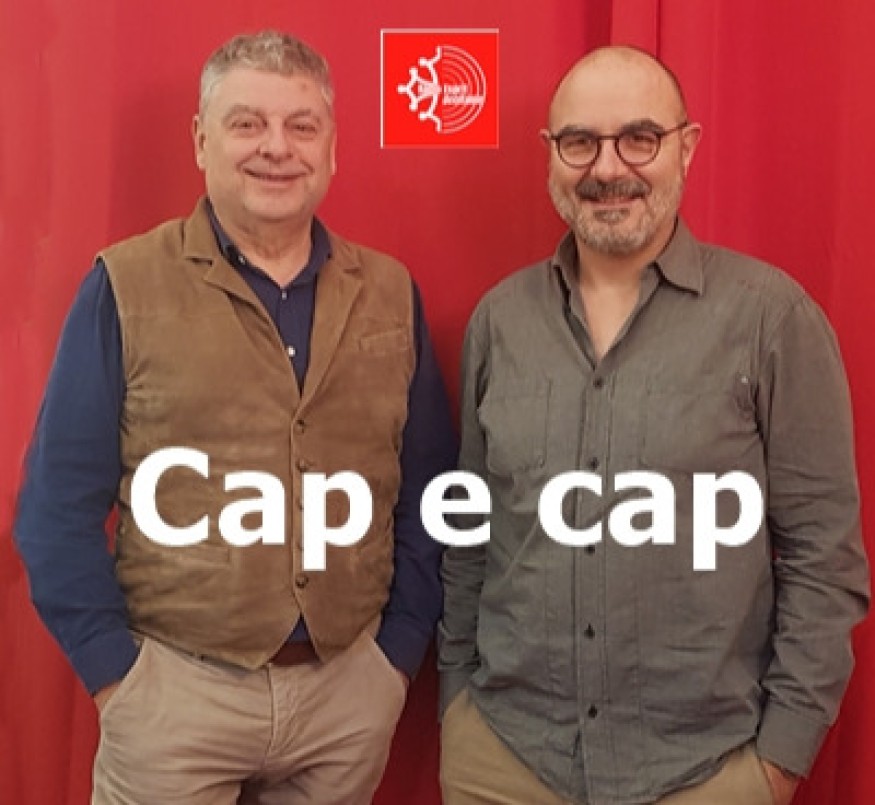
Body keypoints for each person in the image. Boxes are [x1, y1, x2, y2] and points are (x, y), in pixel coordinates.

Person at [14, 30, 456, 804]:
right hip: (174, 697)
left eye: (301, 125)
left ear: (331, 147)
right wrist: (120, 679)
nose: (276, 147)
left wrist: (394, 656)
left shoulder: (390, 290)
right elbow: (55, 507)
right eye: (247, 123)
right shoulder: (125, 284)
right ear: (200, 140)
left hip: (345, 697)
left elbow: (429, 488)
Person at [438, 45, 869, 805]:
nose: (608, 168)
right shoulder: (499, 321)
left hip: (704, 770)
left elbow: (822, 555)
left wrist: (779, 759)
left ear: (686, 147)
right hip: (504, 759)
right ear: (550, 154)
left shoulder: (771, 319)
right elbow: (470, 531)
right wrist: (456, 703)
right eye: (580, 141)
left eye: (639, 137)